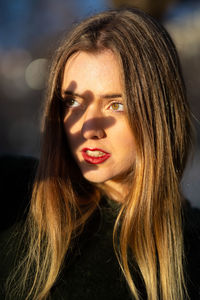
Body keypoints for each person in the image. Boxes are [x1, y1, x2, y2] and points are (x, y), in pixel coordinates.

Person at [0, 7, 200, 300]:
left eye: (116, 104)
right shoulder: (15, 195)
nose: (89, 128)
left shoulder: (192, 249)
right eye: (73, 102)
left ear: (159, 113)